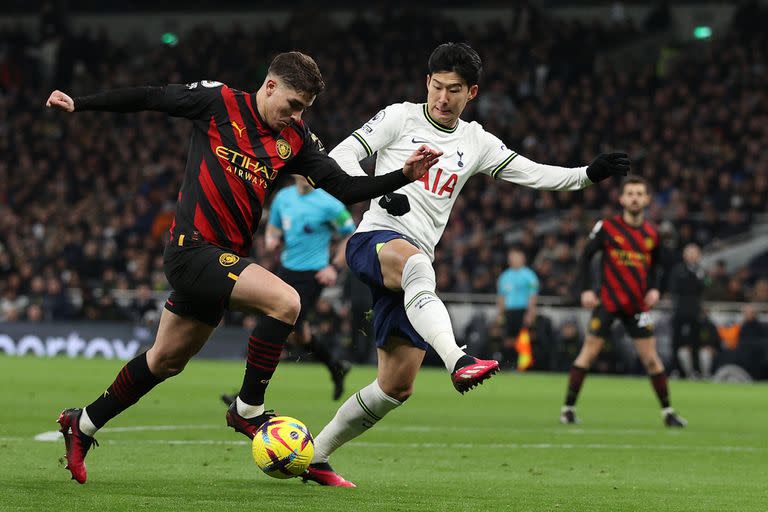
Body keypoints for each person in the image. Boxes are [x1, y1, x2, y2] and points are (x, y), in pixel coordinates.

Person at [45, 51, 442, 484]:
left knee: (164, 361)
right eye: (292, 104)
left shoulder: (295, 138)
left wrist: (404, 174)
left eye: (303, 109)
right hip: (192, 250)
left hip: (222, 262)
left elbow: (344, 187)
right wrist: (80, 103)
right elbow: (151, 97)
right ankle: (247, 408)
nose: (295, 114)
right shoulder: (218, 102)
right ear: (270, 86)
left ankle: (81, 423)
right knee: (286, 302)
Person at [302, 42, 630, 487]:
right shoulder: (399, 117)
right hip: (374, 239)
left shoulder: (476, 142)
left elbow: (533, 173)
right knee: (419, 266)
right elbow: (339, 156)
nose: (442, 97)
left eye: (453, 90)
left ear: (470, 93)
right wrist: (378, 186)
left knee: (395, 388)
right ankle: (458, 360)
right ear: (427, 83)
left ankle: (315, 458)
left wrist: (586, 175)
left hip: (412, 263)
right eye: (436, 86)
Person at [560, 176, 687, 428]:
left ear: (648, 199)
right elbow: (585, 257)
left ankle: (668, 412)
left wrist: (655, 289)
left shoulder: (653, 233)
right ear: (621, 199)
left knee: (651, 359)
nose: (635, 198)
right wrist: (585, 289)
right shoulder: (606, 228)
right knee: (589, 353)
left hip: (637, 305)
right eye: (630, 194)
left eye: (640, 194)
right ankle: (568, 408)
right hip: (608, 302)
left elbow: (661, 266)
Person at [222, 175, 355, 403]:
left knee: (274, 326)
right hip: (286, 270)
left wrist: (334, 267)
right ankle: (335, 365)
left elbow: (350, 235)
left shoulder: (329, 203)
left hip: (312, 275)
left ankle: (245, 396)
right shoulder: (283, 198)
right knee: (299, 332)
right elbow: (273, 227)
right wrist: (272, 238)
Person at [668, 243, 717, 379]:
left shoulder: (701, 271)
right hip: (680, 310)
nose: (693, 257)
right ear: (685, 256)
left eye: (695, 254)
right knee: (676, 341)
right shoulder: (678, 270)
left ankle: (696, 371)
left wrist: (704, 277)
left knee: (696, 341)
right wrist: (694, 278)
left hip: (695, 310)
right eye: (690, 254)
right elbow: (674, 287)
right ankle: (676, 370)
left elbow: (707, 285)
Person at [496, 247, 539, 368]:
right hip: (509, 311)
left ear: (522, 258)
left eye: (516, 257)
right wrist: (500, 313)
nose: (514, 259)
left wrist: (530, 313)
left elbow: (533, 296)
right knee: (508, 339)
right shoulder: (504, 276)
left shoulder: (529, 275)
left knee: (523, 339)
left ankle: (523, 366)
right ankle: (509, 363)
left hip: (522, 310)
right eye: (512, 257)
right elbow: (501, 297)